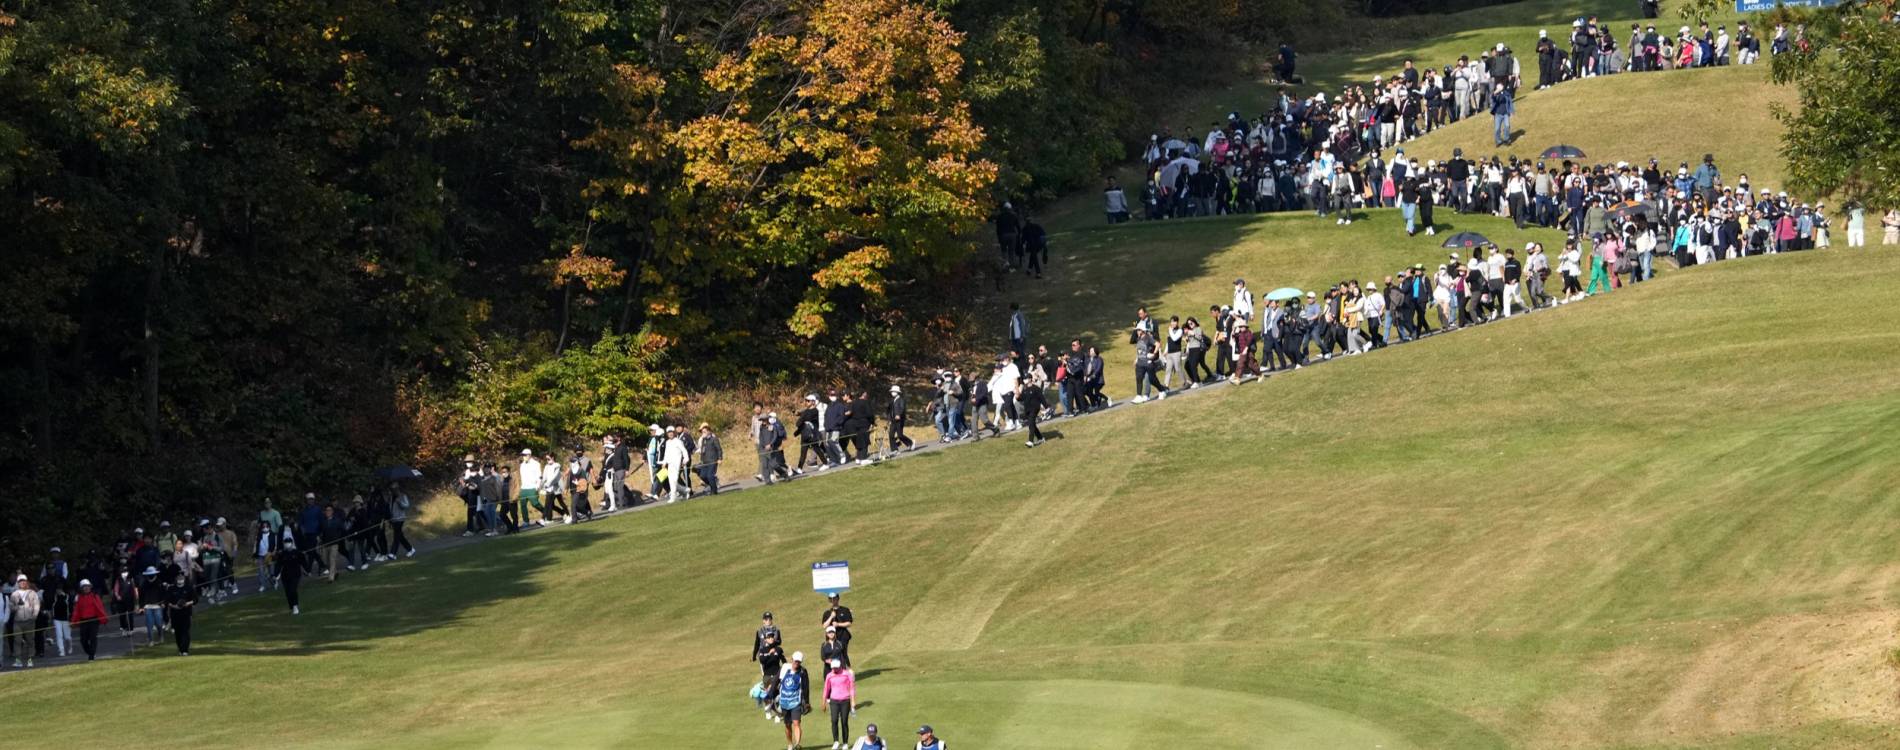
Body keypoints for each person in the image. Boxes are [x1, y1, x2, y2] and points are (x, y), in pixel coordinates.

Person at [778, 651, 812, 749]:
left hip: (796, 702)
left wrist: (807, 702)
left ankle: (797, 744)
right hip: (784, 701)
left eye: (799, 662)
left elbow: (806, 687)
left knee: (796, 723)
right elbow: (777, 680)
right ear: (792, 659)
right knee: (788, 725)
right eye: (795, 661)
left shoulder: (802, 672)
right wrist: (770, 693)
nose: (797, 663)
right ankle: (790, 744)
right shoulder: (785, 668)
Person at [824, 658, 857, 749]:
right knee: (834, 721)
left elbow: (852, 688)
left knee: (844, 721)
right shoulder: (829, 675)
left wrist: (853, 700)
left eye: (836, 668)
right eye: (833, 668)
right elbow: (826, 689)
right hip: (834, 700)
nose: (834, 669)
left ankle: (845, 743)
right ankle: (836, 741)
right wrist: (824, 701)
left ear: (840, 666)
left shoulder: (847, 674)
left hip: (845, 700)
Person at [72, 580, 106, 661]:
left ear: (90, 587)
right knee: (83, 640)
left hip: (94, 620)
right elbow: (76, 610)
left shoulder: (95, 596)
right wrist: (74, 621)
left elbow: (100, 607)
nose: (86, 588)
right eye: (84, 586)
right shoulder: (79, 598)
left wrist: (103, 618)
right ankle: (90, 653)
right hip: (84, 621)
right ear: (81, 588)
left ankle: (91, 656)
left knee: (93, 637)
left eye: (88, 586)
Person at [8, 575, 37, 667]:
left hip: (29, 621)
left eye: (24, 580)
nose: (22, 582)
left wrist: (34, 615)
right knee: (17, 640)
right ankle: (18, 660)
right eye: (20, 581)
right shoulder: (14, 594)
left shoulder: (32, 593)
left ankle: (30, 660)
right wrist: (18, 606)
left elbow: (37, 605)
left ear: (26, 581)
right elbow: (11, 607)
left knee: (30, 640)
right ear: (18, 582)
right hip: (18, 621)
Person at [164, 572, 195, 655]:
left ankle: (185, 650)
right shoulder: (171, 589)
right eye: (178, 579)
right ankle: (180, 649)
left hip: (186, 613)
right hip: (175, 614)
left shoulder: (189, 588)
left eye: (181, 578)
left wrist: (186, 604)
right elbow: (168, 601)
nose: (180, 580)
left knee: (185, 631)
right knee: (178, 632)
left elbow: (195, 600)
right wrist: (174, 606)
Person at [822, 593, 854, 666]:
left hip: (843, 635)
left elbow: (849, 623)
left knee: (843, 653)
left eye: (834, 598)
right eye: (831, 598)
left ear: (838, 598)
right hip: (831, 636)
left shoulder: (845, 610)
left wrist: (838, 624)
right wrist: (831, 617)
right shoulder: (827, 613)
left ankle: (847, 670)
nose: (833, 600)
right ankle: (834, 671)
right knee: (831, 653)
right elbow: (824, 626)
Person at [278, 533, 305, 614]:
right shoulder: (282, 554)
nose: (287, 544)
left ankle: (295, 606)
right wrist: (275, 575)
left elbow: (303, 562)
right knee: (288, 592)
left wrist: (307, 570)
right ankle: (292, 606)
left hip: (295, 574)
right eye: (286, 542)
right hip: (285, 576)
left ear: (292, 543)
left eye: (288, 542)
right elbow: (278, 565)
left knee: (293, 590)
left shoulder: (297, 553)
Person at [138, 566, 164, 646]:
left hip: (157, 606)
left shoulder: (159, 582)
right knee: (149, 624)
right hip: (148, 606)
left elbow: (163, 594)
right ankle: (151, 640)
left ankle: (160, 636)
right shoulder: (144, 584)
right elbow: (141, 597)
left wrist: (163, 603)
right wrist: (141, 607)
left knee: (159, 623)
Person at [694, 423, 723, 496]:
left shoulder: (714, 439)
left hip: (712, 461)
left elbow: (719, 449)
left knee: (710, 476)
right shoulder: (703, 440)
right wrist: (701, 460)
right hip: (705, 462)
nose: (703, 433)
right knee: (703, 476)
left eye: (705, 432)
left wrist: (720, 458)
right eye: (702, 432)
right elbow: (702, 451)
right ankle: (712, 485)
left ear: (709, 431)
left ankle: (714, 491)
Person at [885, 386, 914, 457]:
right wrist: (889, 419)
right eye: (891, 391)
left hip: (899, 420)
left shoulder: (901, 400)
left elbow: (902, 408)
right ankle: (894, 450)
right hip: (893, 420)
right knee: (891, 434)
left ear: (897, 392)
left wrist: (898, 415)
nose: (892, 393)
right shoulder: (892, 400)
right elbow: (888, 410)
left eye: (893, 391)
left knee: (900, 435)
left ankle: (910, 443)